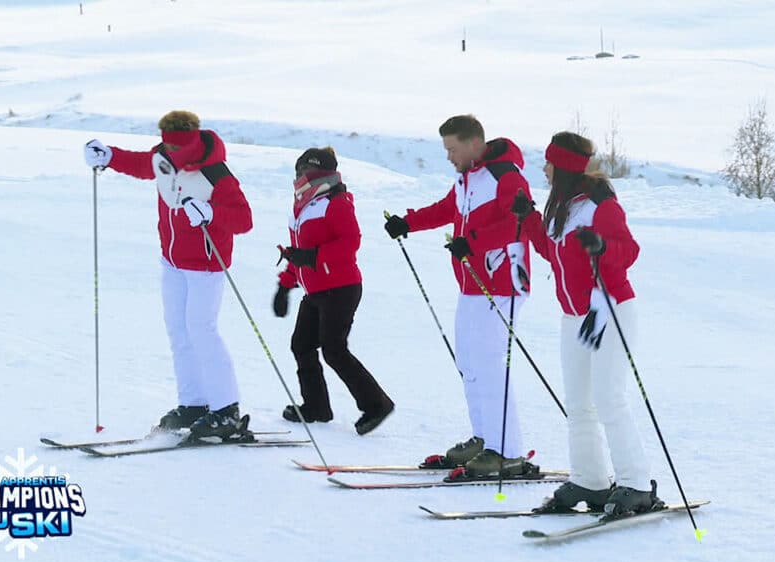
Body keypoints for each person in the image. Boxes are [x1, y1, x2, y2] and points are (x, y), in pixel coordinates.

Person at [511, 131, 661, 515]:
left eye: (548, 162)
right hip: (576, 316)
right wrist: (528, 217)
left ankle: (636, 484)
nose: (543, 168)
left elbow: (629, 251)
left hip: (609, 308)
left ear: (562, 166)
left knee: (609, 397)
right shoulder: (563, 205)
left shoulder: (600, 205)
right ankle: (590, 480)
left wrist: (603, 246)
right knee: (578, 403)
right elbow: (551, 250)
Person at [83, 110, 253, 439]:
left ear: (191, 143)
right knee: (179, 331)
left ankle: (227, 410)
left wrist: (210, 212)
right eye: (166, 146)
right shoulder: (163, 156)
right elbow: (143, 165)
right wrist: (109, 157)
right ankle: (194, 403)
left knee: (202, 330)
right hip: (172, 261)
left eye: (176, 149)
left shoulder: (216, 173)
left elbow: (244, 220)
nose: (169, 153)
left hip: (206, 264)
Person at [384, 115, 534, 478]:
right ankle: (485, 439)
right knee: (469, 361)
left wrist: (476, 242)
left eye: (452, 149)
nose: (449, 156)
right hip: (471, 283)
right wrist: (408, 222)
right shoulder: (468, 177)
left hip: (501, 282)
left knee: (488, 362)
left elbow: (521, 222)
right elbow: (447, 209)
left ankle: (508, 451)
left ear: (473, 144)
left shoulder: (506, 176)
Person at [273, 147, 395, 436]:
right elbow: (298, 253)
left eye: (305, 170)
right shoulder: (302, 207)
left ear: (319, 173)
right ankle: (316, 407)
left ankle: (377, 404)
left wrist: (313, 257)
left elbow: (350, 242)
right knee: (301, 345)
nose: (300, 176)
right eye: (298, 170)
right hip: (316, 290)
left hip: (341, 288)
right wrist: (286, 285)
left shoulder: (335, 202)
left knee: (334, 350)